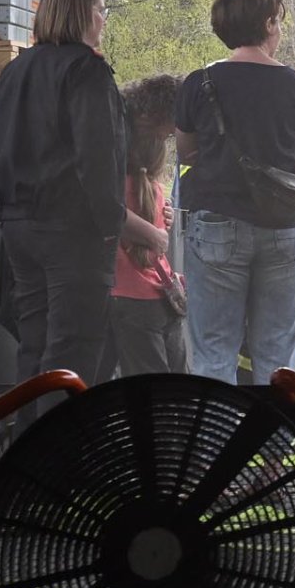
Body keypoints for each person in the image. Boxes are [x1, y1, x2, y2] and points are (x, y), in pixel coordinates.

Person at [174, 0, 295, 385]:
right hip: (287, 229)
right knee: (277, 354)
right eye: (279, 21)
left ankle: (218, 426)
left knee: (213, 350)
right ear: (269, 24)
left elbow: (186, 152)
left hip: (217, 225)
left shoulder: (199, 83)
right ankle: (273, 427)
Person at [0, 0, 124, 389]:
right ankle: (64, 430)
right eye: (100, 10)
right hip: (73, 229)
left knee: (34, 343)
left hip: (18, 224)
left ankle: (31, 428)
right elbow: (98, 157)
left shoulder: (15, 70)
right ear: (82, 14)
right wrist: (110, 224)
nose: (104, 19)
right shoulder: (87, 71)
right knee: (73, 350)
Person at [108, 74, 188, 375]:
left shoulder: (118, 185)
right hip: (160, 296)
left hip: (128, 295)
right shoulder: (150, 189)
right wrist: (156, 231)